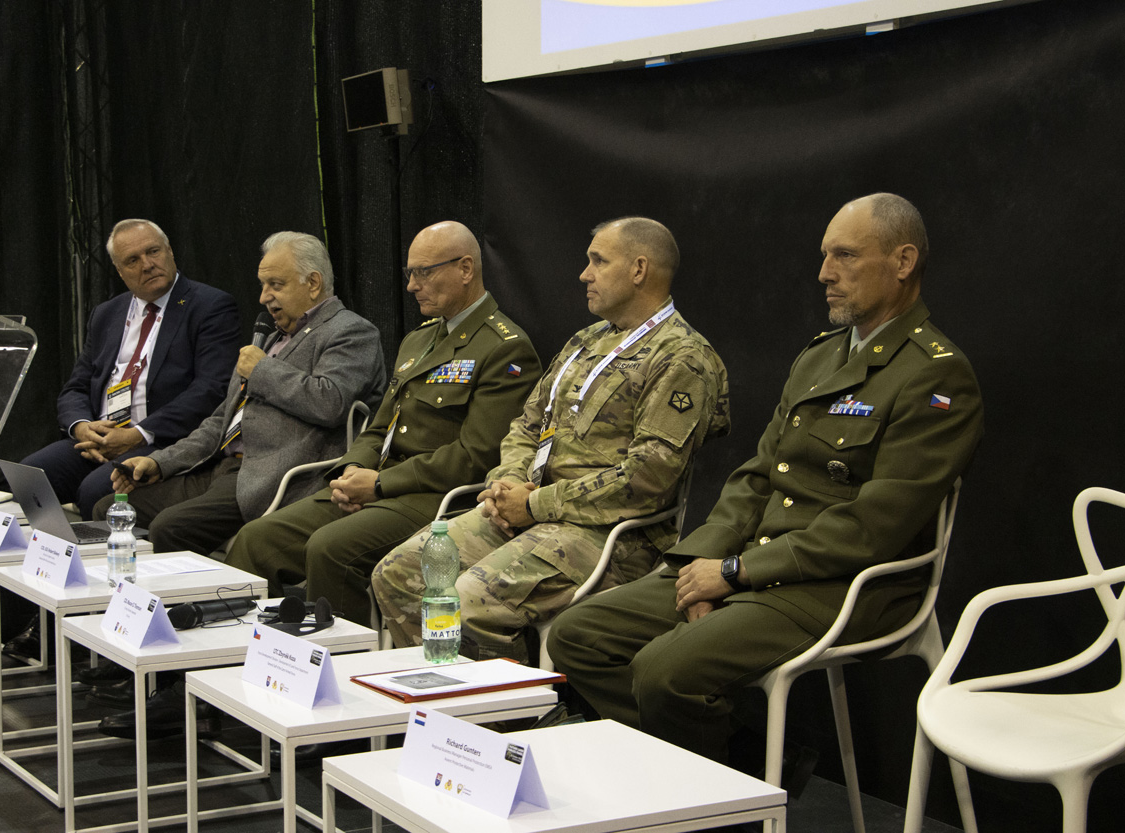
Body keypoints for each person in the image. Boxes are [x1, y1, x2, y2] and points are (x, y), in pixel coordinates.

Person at [548, 194, 984, 765]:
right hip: (754, 565)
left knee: (664, 671)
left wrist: (735, 573)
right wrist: (700, 564)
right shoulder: (820, 357)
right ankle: (741, 766)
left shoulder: (935, 375)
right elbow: (758, 476)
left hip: (846, 586)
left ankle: (707, 799)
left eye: (845, 255)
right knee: (577, 635)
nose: (824, 273)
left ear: (903, 262)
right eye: (825, 255)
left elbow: (874, 527)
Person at [372, 217, 731, 664]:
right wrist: (507, 484)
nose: (584, 274)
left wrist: (535, 504)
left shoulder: (682, 357)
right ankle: (447, 694)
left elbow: (647, 479)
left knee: (468, 600)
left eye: (598, 261)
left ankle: (508, 707)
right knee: (399, 572)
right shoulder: (586, 341)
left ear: (639, 269)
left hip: (613, 535)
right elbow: (527, 424)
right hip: (528, 510)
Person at [224, 221, 541, 626]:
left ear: (465, 269)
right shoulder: (418, 340)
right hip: (377, 485)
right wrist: (353, 468)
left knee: (329, 548)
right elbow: (379, 426)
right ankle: (241, 655)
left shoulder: (505, 348)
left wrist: (378, 484)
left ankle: (344, 661)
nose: (411, 285)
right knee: (257, 539)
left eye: (423, 272)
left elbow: (476, 456)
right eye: (410, 273)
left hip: (436, 497)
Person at [91, 231, 386, 557]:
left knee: (169, 528)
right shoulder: (273, 338)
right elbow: (221, 422)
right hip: (221, 468)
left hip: (271, 477)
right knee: (109, 509)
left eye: (275, 285)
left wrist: (261, 370)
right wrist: (159, 462)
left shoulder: (350, 331)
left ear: (313, 283)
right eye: (263, 285)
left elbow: (330, 402)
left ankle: (196, 594)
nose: (263, 297)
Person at [19, 219, 239, 519]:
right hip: (99, 438)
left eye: (153, 252)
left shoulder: (210, 306)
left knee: (96, 492)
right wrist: (83, 427)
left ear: (170, 251)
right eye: (133, 260)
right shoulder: (107, 313)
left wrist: (138, 434)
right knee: (30, 476)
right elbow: (76, 387)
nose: (147, 265)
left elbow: (211, 389)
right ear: (119, 271)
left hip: (160, 441)